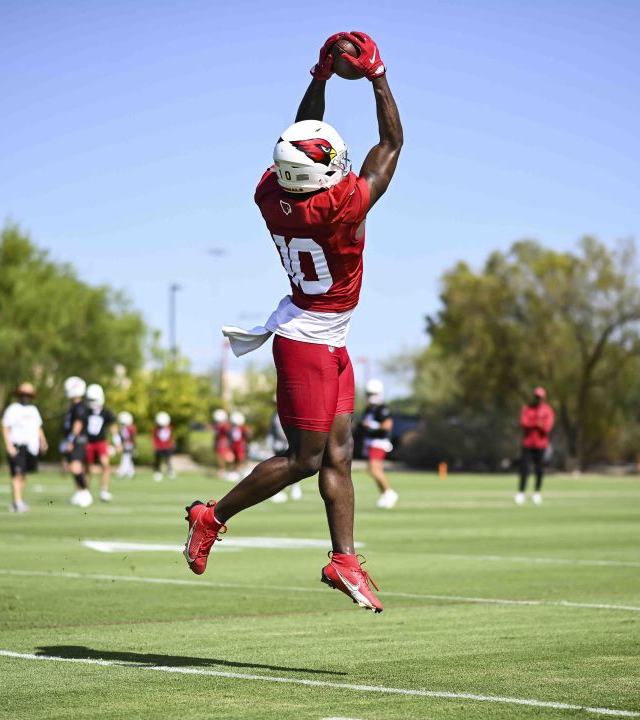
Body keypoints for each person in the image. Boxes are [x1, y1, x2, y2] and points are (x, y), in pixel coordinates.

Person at [189, 31, 401, 613]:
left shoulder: (271, 194)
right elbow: (391, 143)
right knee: (306, 458)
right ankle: (212, 515)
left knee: (339, 453)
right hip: (308, 340)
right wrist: (378, 76)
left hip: (326, 336)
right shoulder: (342, 207)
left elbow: (298, 139)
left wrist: (320, 77)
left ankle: (344, 558)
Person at [2, 382, 47, 513]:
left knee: (23, 474)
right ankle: (17, 502)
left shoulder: (33, 410)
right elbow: (5, 427)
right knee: (17, 474)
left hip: (31, 447)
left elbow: (38, 428)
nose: (26, 397)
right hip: (17, 445)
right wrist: (8, 445)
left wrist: (43, 441)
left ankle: (18, 500)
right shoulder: (13, 409)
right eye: (24, 394)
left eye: (28, 395)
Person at [359, 379, 398, 509]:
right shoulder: (369, 409)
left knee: (374, 470)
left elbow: (387, 425)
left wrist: (372, 425)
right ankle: (385, 494)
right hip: (370, 442)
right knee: (373, 470)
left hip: (379, 442)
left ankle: (388, 492)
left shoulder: (382, 408)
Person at [516, 387, 555, 505]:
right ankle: (521, 492)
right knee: (524, 468)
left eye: (540, 397)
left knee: (539, 469)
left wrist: (535, 423)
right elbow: (523, 423)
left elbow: (547, 427)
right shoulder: (527, 409)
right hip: (528, 443)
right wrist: (537, 422)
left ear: (544, 398)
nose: (538, 399)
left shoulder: (547, 410)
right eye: (537, 397)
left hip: (541, 445)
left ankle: (537, 492)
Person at [61, 376, 93, 507]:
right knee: (74, 467)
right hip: (74, 440)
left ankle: (85, 492)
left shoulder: (80, 407)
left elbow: (78, 425)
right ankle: (80, 492)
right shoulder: (73, 406)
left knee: (75, 467)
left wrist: (70, 440)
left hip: (78, 441)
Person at [83, 384, 118, 502]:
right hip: (88, 442)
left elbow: (113, 427)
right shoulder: (84, 411)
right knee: (87, 468)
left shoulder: (106, 412)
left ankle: (104, 490)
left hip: (101, 442)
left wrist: (117, 442)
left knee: (105, 465)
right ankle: (85, 491)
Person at [212, 409, 234, 480]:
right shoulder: (217, 425)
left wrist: (229, 444)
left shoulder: (224, 426)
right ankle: (222, 471)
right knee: (220, 458)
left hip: (223, 444)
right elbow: (216, 436)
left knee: (224, 458)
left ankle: (225, 472)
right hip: (219, 443)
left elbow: (229, 435)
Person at [152, 411, 175, 480]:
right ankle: (157, 472)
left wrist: (171, 444)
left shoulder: (169, 428)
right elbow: (154, 438)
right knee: (158, 461)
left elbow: (170, 437)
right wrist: (155, 445)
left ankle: (170, 471)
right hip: (159, 447)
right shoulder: (156, 429)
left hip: (167, 447)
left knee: (168, 460)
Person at [115, 411, 137, 479]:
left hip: (129, 445)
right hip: (125, 445)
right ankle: (131, 472)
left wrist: (134, 447)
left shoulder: (130, 428)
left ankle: (122, 471)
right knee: (127, 458)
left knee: (126, 458)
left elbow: (132, 438)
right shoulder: (122, 428)